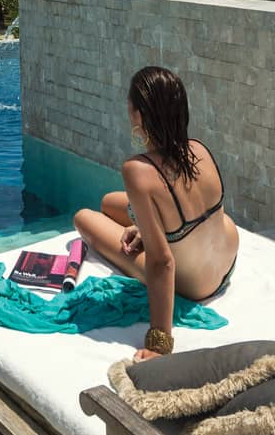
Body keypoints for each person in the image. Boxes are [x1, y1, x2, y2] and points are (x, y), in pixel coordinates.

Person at [72, 66, 240, 363]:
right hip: (225, 263)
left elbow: (162, 262)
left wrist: (159, 340)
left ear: (138, 115)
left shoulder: (138, 170)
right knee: (109, 202)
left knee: (85, 217)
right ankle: (149, 227)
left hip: (195, 284)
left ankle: (149, 228)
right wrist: (148, 229)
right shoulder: (199, 148)